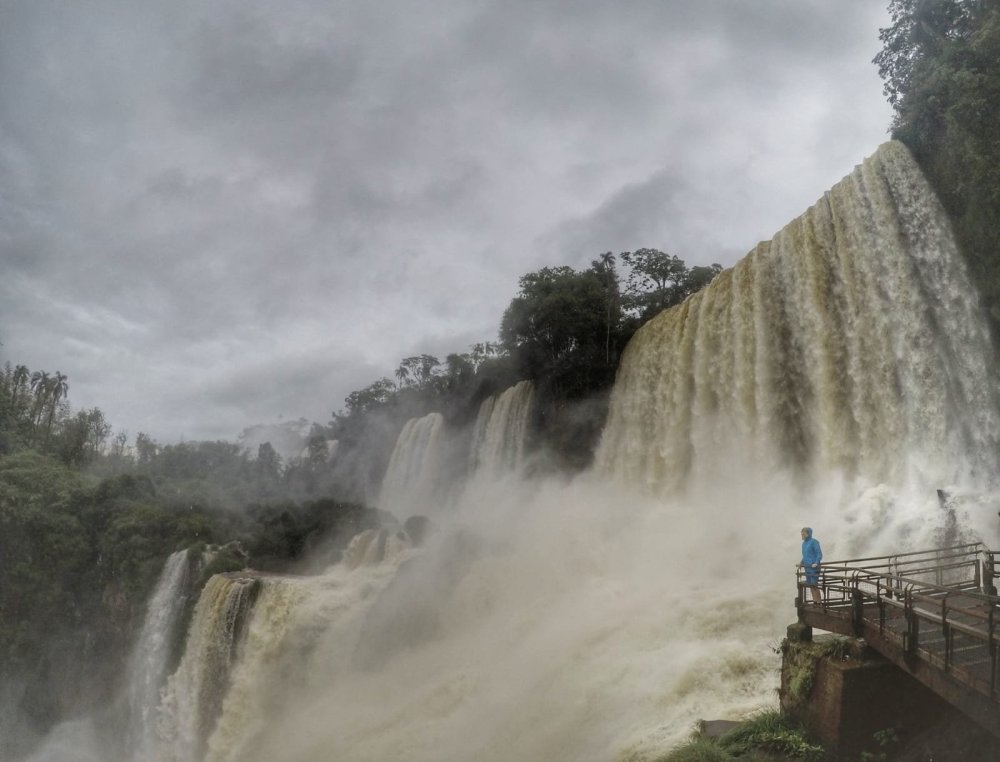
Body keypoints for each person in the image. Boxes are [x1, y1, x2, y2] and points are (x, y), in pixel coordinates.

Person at [800, 527, 822, 603]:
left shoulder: (814, 542)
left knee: (814, 585)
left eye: (803, 534)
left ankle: (819, 601)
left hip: (814, 567)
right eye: (801, 534)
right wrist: (801, 563)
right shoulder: (803, 544)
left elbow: (819, 553)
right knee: (810, 585)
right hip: (807, 567)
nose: (802, 535)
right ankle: (814, 601)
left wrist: (816, 562)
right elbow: (805, 555)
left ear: (808, 534)